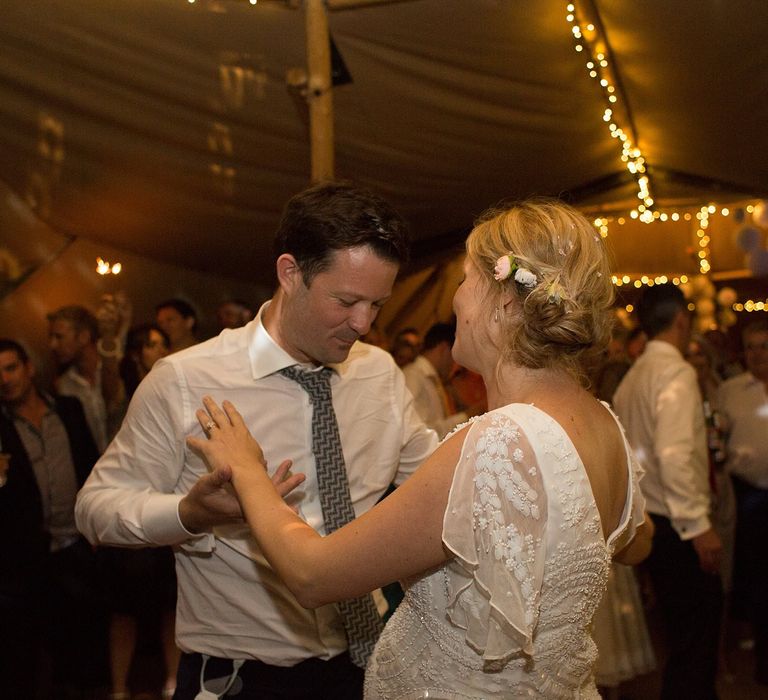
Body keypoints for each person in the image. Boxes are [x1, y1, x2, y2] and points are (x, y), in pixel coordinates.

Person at [187, 198, 651, 698]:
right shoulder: (603, 424)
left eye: (465, 280)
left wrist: (247, 471)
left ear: (506, 304)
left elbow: (312, 576)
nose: (456, 300)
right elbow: (633, 543)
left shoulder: (500, 443)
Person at [75, 181, 439, 700]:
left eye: (377, 304)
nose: (363, 324)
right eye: (347, 300)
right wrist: (190, 514)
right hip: (244, 677)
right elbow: (95, 508)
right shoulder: (185, 380)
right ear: (290, 273)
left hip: (367, 667)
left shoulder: (378, 374)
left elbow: (431, 479)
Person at [613, 283, 723, 700]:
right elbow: (675, 455)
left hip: (652, 521)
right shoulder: (674, 372)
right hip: (678, 527)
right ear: (682, 320)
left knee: (680, 640)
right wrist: (698, 527)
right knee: (697, 642)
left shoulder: (634, 376)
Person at [0, 338, 107, 698]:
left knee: (84, 639)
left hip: (76, 543)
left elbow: (94, 466)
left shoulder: (68, 408)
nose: (4, 378)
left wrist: (97, 527)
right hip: (24, 554)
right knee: (24, 649)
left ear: (29, 368)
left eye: (10, 367)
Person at [103, 322, 179, 700]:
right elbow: (106, 377)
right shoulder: (122, 393)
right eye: (149, 345)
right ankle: (118, 689)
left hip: (169, 511)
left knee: (172, 604)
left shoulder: (181, 390)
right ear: (136, 354)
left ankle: (173, 683)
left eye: (162, 343)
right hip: (127, 507)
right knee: (125, 609)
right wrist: (108, 332)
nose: (157, 350)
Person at [718, 319, 768, 685]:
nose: (758, 354)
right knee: (758, 581)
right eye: (751, 346)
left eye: (764, 346)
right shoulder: (730, 391)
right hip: (749, 497)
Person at [48, 304, 122, 452]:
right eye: (51, 337)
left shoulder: (116, 367)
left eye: (59, 337)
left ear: (84, 337)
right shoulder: (63, 385)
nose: (53, 345)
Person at [402, 321, 482, 437]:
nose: (454, 364)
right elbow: (414, 433)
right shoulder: (413, 375)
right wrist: (466, 416)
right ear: (444, 349)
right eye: (454, 356)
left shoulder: (431, 378)